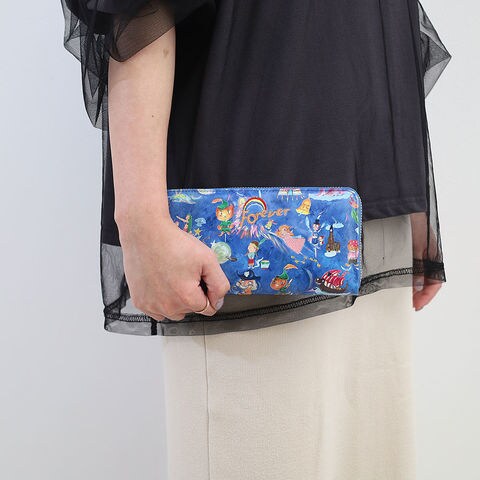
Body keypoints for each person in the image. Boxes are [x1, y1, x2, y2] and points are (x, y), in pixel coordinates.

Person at [61, 0, 452, 478]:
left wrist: (411, 198)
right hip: (244, 223)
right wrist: (140, 218)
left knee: (370, 460)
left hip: (372, 208)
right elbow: (135, 7)